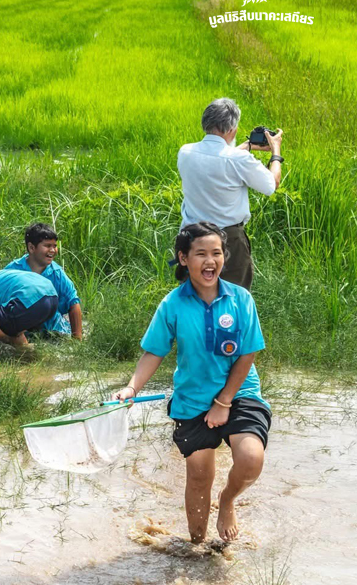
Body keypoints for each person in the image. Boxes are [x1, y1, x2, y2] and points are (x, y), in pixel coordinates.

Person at [113, 222, 270, 544]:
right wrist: (131, 388)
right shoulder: (172, 304)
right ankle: (195, 547)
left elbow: (248, 354)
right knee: (199, 480)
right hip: (193, 401)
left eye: (216, 253)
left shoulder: (241, 299)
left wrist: (224, 402)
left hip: (239, 394)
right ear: (184, 259)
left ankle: (227, 501)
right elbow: (153, 352)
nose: (210, 261)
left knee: (251, 458)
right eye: (201, 254)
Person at [178, 97, 284, 289]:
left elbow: (218, 159)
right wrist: (276, 151)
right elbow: (271, 184)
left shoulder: (185, 152)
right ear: (232, 129)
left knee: (195, 295)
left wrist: (247, 147)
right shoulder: (239, 159)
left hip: (192, 237)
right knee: (233, 297)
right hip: (228, 241)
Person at [5, 223, 83, 339]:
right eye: (47, 246)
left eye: (54, 246)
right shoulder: (13, 271)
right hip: (22, 332)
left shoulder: (56, 273)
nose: (53, 250)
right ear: (31, 248)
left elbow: (73, 303)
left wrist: (77, 340)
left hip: (54, 331)